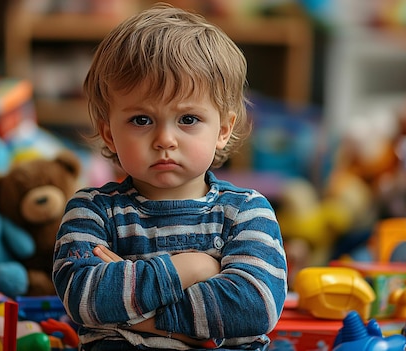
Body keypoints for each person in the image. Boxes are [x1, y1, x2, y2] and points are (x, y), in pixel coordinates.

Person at [52, 3, 287, 350]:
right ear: (108, 132)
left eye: (188, 119)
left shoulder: (246, 211)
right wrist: (189, 268)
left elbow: (255, 305)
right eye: (142, 120)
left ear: (223, 129)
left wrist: (146, 317)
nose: (165, 139)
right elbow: (84, 297)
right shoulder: (92, 210)